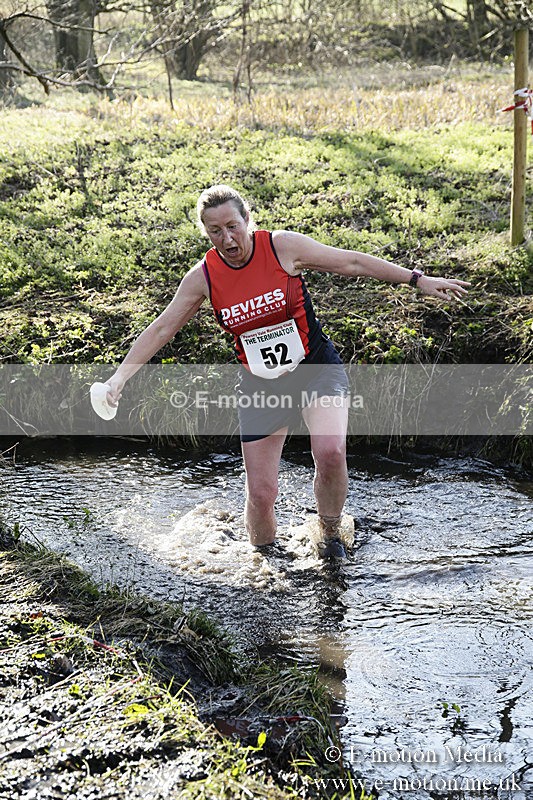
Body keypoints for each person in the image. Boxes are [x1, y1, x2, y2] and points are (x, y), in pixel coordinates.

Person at [104, 184, 469, 559]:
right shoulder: (204, 278)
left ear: (247, 219)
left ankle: (329, 533)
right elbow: (163, 327)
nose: (227, 238)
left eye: (233, 226)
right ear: (206, 233)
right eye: (215, 231)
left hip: (314, 370)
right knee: (261, 494)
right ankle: (263, 561)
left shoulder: (282, 248)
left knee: (330, 451)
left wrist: (416, 279)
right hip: (260, 386)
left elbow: (352, 263)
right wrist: (120, 377)